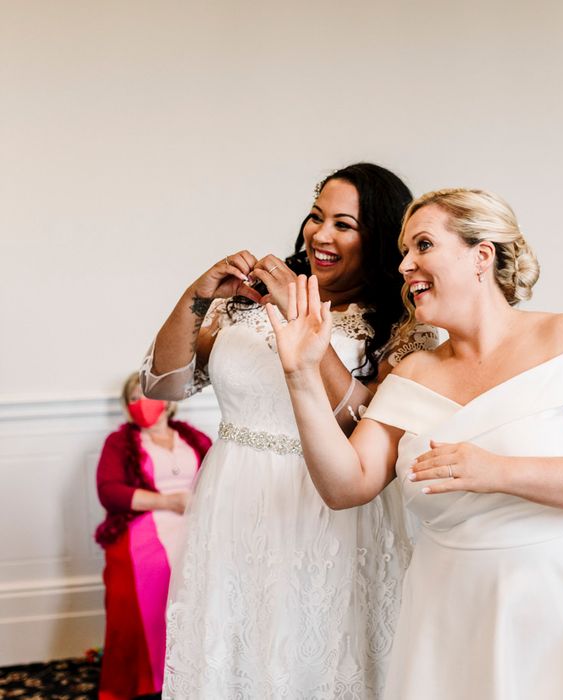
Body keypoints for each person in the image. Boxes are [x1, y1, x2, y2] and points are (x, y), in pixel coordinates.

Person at [267, 188, 563, 699]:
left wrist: (497, 471)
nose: (405, 265)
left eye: (423, 245)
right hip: (452, 612)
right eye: (405, 251)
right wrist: (300, 374)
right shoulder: (412, 374)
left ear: (481, 255)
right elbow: (346, 485)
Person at [139, 163, 438, 699]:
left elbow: (368, 425)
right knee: (235, 650)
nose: (320, 235)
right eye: (316, 217)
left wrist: (302, 322)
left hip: (329, 512)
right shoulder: (247, 303)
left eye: (344, 225)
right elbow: (162, 385)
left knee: (315, 654)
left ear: (379, 238)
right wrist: (198, 295)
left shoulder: (405, 324)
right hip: (233, 502)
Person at [94, 371, 211, 700]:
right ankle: (147, 682)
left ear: (169, 402)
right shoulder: (118, 443)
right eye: (132, 398)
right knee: (150, 572)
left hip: (195, 523)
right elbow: (110, 493)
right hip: (143, 523)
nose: (140, 404)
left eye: (146, 394)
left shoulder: (195, 439)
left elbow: (218, 481)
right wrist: (168, 501)